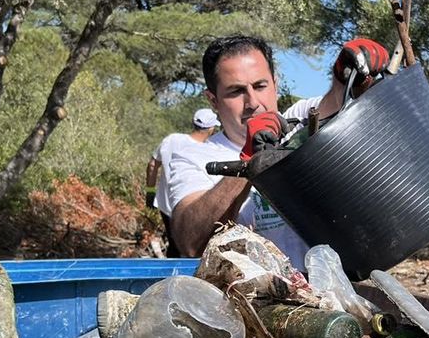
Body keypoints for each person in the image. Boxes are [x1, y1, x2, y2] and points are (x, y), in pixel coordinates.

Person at [156, 35, 389, 270]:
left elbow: (336, 99)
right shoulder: (193, 156)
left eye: (260, 86)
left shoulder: (300, 122)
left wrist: (347, 75)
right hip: (248, 300)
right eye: (236, 91)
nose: (253, 102)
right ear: (213, 100)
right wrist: (247, 162)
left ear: (275, 84)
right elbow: (190, 242)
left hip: (322, 290)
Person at [148, 108, 221, 257]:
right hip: (192, 208)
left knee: (175, 246)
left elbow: (152, 164)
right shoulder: (206, 149)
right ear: (211, 128)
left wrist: (149, 190)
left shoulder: (172, 139)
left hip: (166, 206)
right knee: (191, 250)